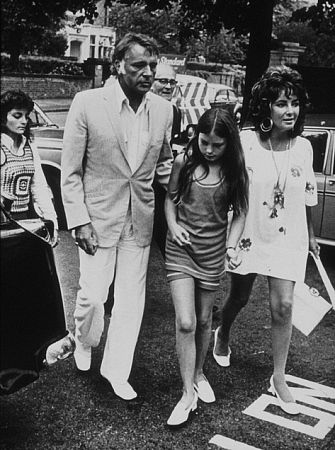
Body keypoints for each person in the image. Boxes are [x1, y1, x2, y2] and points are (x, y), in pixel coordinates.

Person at [61, 32, 174, 401]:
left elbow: (164, 164)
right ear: (118, 65)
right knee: (93, 296)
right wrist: (78, 220)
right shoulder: (87, 102)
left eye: (152, 66)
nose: (148, 73)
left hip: (139, 218)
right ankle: (84, 339)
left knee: (131, 299)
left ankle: (116, 370)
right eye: (139, 65)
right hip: (97, 216)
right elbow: (71, 171)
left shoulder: (163, 110)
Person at [213, 66, 320, 415]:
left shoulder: (304, 147)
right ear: (265, 108)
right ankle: (224, 331)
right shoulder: (245, 142)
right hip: (249, 233)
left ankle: (278, 376)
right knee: (240, 296)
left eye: (295, 103)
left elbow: (306, 195)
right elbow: (226, 186)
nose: (291, 111)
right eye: (282, 104)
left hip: (289, 236)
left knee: (284, 306)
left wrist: (313, 236)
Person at [165, 108, 249, 426]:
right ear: (196, 136)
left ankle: (199, 373)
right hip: (181, 252)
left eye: (217, 145)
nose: (209, 150)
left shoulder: (235, 172)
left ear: (229, 143)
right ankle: (188, 394)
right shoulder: (184, 163)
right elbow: (170, 199)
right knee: (185, 322)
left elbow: (240, 212)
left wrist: (231, 246)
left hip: (213, 254)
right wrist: (172, 226)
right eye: (204, 142)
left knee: (202, 321)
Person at [0, 90, 72, 394]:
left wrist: (50, 218)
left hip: (26, 233)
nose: (24, 120)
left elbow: (39, 185)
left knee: (28, 299)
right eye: (16, 114)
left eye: (26, 114)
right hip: (4, 235)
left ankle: (29, 358)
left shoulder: (29, 144)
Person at [151, 63, 181, 144]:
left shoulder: (175, 111)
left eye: (172, 82)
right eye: (163, 81)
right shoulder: (139, 108)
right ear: (151, 81)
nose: (168, 87)